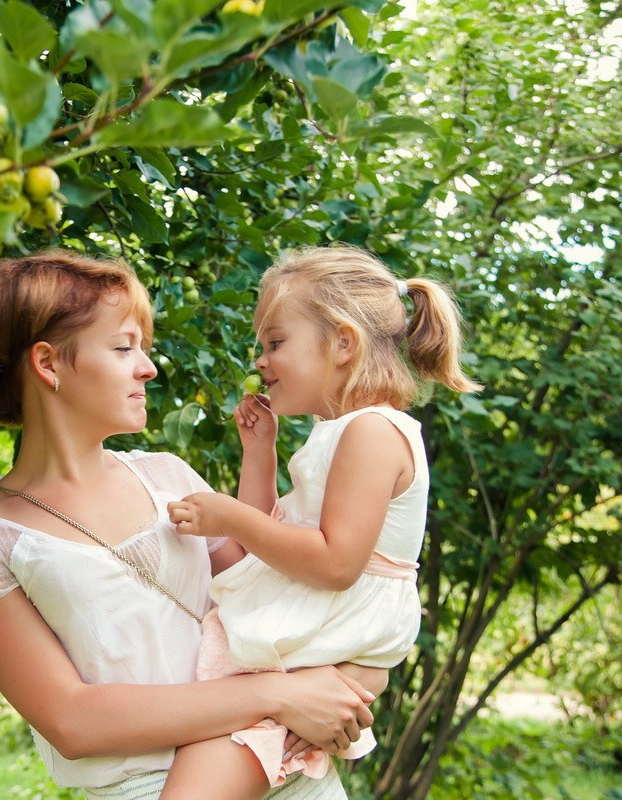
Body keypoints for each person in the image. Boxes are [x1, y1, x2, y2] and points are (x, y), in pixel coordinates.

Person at [0, 248, 385, 800]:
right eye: (124, 347)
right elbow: (73, 721)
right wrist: (281, 696)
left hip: (287, 774)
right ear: (48, 364)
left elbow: (264, 600)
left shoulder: (168, 476)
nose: (148, 368)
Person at [160, 245, 482, 799]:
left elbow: (335, 564)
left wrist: (228, 515)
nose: (261, 362)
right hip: (319, 624)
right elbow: (268, 546)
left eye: (275, 343)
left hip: (333, 625)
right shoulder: (339, 433)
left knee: (206, 769)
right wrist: (259, 455)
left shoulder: (373, 432)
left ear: (342, 343)